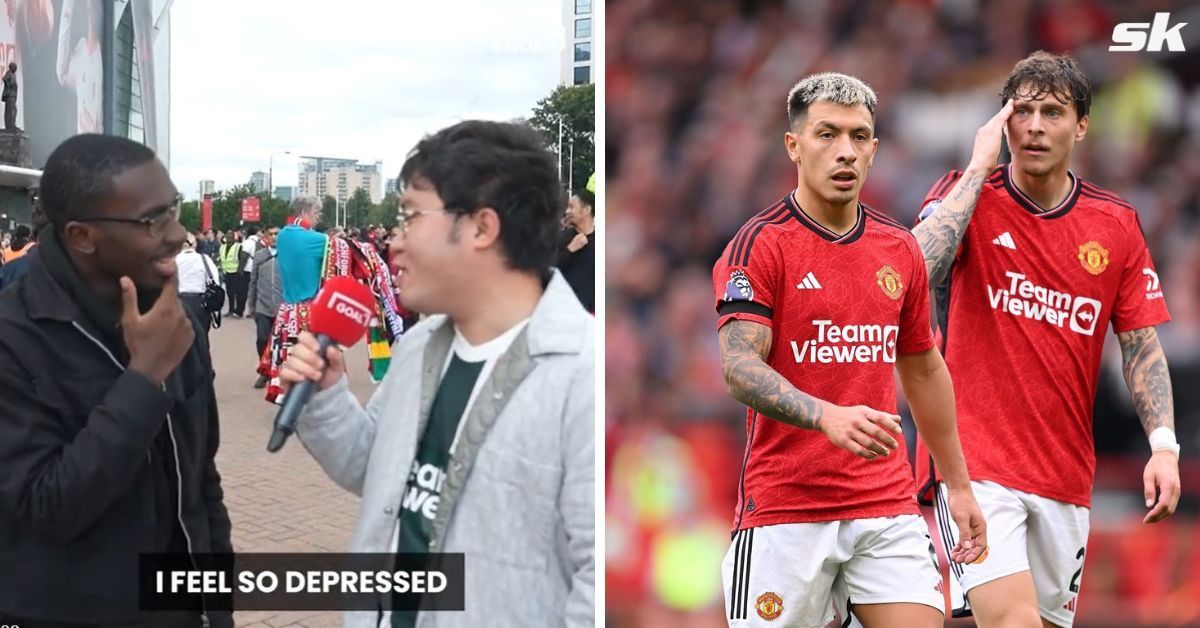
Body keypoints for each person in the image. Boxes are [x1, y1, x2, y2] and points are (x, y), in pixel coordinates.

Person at [280, 120, 594, 627]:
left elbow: (597, 584)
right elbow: (373, 469)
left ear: (481, 227)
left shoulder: (583, 375)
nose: (393, 244)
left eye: (409, 218)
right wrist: (328, 395)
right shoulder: (420, 346)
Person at [911, 51, 1178, 628]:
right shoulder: (964, 194)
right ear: (1002, 122)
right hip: (972, 469)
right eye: (1022, 111)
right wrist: (979, 171)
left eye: (1052, 112)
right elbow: (911, 274)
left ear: (1081, 125)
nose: (1034, 126)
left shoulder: (1116, 225)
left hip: (1064, 477)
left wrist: (1164, 446)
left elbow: (1140, 344)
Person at [712, 73, 986, 628]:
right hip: (786, 510)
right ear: (794, 145)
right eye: (827, 134)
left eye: (859, 137)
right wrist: (825, 415)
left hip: (884, 503)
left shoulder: (898, 249)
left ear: (874, 149)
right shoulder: (760, 244)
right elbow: (739, 367)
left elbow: (925, 368)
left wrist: (957, 484)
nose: (845, 151)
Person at [0, 134, 231, 626]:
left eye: (174, 208)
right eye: (154, 220)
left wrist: (218, 605)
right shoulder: (12, 337)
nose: (178, 234)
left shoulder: (178, 316)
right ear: (82, 237)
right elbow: (48, 507)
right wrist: (144, 378)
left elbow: (202, 482)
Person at [262, 195, 405, 402]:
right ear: (306, 211)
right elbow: (351, 250)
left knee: (293, 361)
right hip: (310, 313)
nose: (318, 218)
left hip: (288, 312)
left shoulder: (284, 235)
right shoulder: (310, 239)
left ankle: (292, 402)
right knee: (322, 365)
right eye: (317, 213)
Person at [247, 226, 281, 388]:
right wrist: (251, 304)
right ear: (266, 237)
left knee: (282, 343)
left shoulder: (288, 256)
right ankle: (265, 371)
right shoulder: (260, 256)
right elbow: (253, 280)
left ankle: (280, 372)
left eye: (277, 234)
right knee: (262, 339)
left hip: (283, 307)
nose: (274, 237)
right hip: (263, 306)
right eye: (271, 234)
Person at [558, 188, 595, 313]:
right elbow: (549, 270)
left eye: (572, 207)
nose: (567, 211)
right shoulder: (562, 239)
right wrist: (569, 250)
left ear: (586, 210)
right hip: (565, 312)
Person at [176, 232, 221, 335]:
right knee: (202, 337)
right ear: (195, 244)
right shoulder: (205, 259)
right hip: (200, 303)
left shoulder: (174, 260)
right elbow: (215, 281)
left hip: (179, 302)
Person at [217, 231, 243, 318]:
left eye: (231, 236)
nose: (229, 238)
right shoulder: (222, 247)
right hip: (226, 272)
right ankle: (230, 310)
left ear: (234, 237)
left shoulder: (238, 247)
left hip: (235, 272)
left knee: (236, 292)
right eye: (227, 237)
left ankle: (237, 310)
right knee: (229, 292)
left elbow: (241, 260)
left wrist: (240, 271)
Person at [2, 62, 17, 130]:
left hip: (13, 95)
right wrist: (8, 85)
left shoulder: (14, 75)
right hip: (9, 95)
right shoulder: (9, 73)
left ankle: (12, 124)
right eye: (14, 67)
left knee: (14, 110)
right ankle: (9, 125)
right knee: (9, 111)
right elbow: (4, 79)